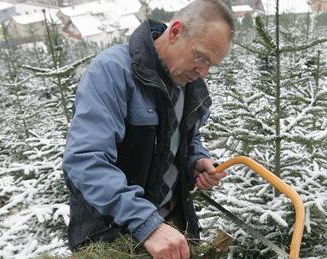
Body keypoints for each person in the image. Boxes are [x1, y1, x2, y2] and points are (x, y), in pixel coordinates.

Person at [62, 0, 234, 258]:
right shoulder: (112, 72)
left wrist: (195, 159)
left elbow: (185, 135)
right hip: (112, 233)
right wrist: (146, 223)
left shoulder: (186, 80)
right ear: (175, 32)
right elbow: (85, 161)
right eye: (200, 57)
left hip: (168, 224)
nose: (203, 72)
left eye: (211, 65)